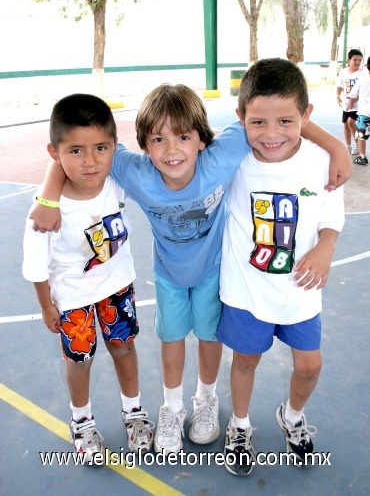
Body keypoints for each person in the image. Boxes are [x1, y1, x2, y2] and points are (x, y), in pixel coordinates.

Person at [29, 84, 351, 456]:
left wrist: (336, 145)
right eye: (158, 139)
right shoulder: (133, 171)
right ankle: (172, 407)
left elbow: (270, 121)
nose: (171, 150)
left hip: (215, 272)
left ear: (202, 140)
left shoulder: (221, 156)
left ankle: (206, 399)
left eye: (183, 136)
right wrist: (48, 197)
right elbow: (77, 147)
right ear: (144, 146)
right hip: (168, 275)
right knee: (172, 340)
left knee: (210, 339)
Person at [217, 58, 344, 476]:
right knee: (245, 361)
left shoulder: (320, 160)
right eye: (258, 123)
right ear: (241, 119)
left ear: (306, 117)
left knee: (310, 365)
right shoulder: (231, 160)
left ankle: (291, 416)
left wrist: (325, 247)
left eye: (286, 121)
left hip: (300, 289)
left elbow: (331, 216)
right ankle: (239, 425)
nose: (271, 134)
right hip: (246, 290)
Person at [22, 94, 154, 463]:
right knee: (79, 360)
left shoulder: (116, 180)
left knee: (124, 348)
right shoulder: (46, 209)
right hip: (72, 297)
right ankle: (81, 421)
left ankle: (134, 413)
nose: (91, 161)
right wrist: (46, 305)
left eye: (100, 148)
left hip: (117, 286)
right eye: (75, 151)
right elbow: (36, 263)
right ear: (55, 153)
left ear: (113, 146)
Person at [336, 48, 365, 155]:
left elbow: (361, 91)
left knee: (351, 122)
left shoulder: (362, 74)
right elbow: (339, 85)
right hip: (346, 103)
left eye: (360, 60)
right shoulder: (344, 72)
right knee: (345, 124)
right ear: (349, 60)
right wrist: (338, 96)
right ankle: (347, 146)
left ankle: (356, 145)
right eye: (355, 60)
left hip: (358, 105)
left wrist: (353, 102)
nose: (357, 62)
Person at [346, 55, 370, 166]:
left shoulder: (363, 79)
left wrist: (350, 103)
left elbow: (352, 94)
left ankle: (362, 157)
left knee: (362, 135)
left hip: (365, 112)